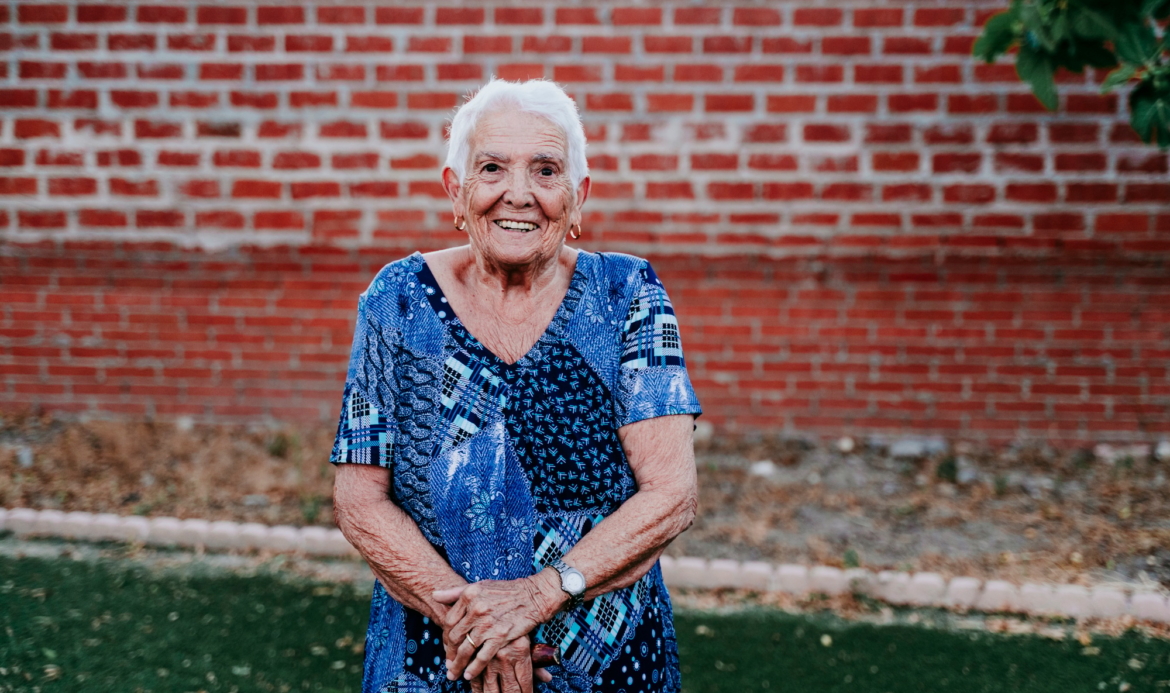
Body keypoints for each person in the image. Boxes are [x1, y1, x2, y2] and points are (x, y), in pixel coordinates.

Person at [330, 78, 702, 693]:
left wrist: (536, 597)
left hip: (604, 665)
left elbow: (671, 495)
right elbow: (359, 499)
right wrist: (481, 629)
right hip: (437, 659)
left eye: (546, 170)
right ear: (457, 191)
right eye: (493, 167)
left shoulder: (629, 296)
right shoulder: (397, 301)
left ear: (578, 198)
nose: (519, 194)